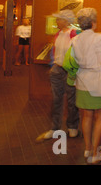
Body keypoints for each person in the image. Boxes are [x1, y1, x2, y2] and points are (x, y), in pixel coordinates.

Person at [68, 8, 101, 164]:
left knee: (86, 116)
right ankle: (95, 154)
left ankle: (88, 148)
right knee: (100, 117)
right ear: (93, 23)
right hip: (98, 83)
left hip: (82, 82)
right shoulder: (99, 38)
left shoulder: (75, 40)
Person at [36, 10, 79, 141]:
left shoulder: (74, 34)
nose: (56, 21)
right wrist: (53, 66)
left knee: (72, 100)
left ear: (66, 21)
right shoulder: (58, 34)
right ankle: (55, 127)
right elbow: (55, 52)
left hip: (70, 71)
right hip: (57, 69)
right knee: (56, 100)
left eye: (59, 19)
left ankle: (73, 126)